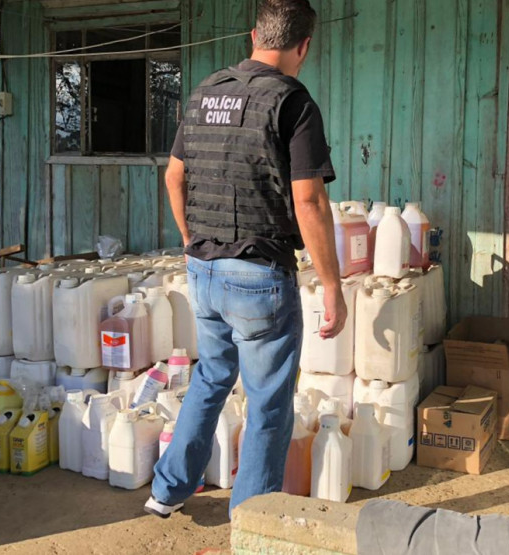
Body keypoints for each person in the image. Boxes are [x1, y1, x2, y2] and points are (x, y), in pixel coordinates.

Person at [145, 0, 345, 519]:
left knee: (210, 378)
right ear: (304, 46)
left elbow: (173, 176)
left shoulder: (207, 90)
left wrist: (195, 242)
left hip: (203, 269)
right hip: (258, 277)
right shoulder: (293, 102)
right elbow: (309, 200)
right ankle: (251, 521)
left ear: (254, 34)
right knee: (268, 404)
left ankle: (165, 492)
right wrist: (333, 287)